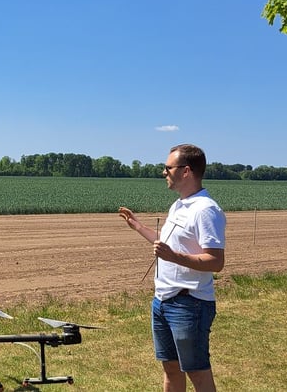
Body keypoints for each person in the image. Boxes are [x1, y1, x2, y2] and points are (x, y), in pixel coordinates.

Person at [118, 144, 225, 392]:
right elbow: (167, 245)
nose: (164, 172)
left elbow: (216, 261)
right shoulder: (179, 205)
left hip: (190, 304)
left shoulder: (205, 210)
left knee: (198, 373)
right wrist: (138, 226)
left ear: (186, 171)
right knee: (171, 370)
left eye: (168, 168)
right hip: (163, 301)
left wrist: (174, 257)